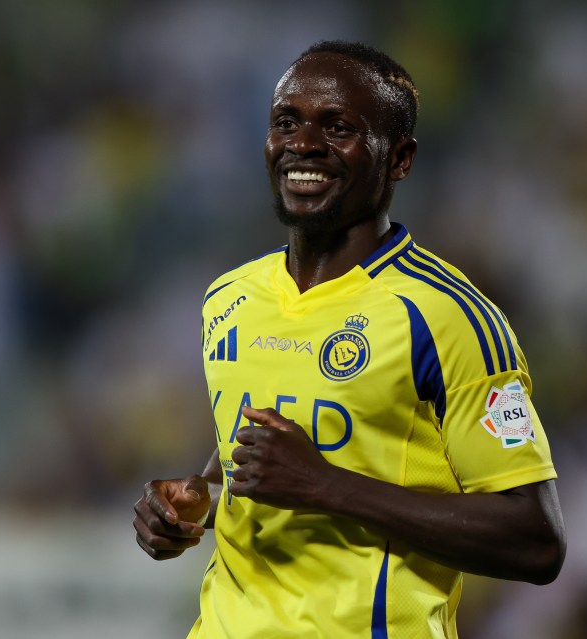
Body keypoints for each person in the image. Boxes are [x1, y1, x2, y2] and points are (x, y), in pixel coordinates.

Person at [133, 40, 565, 638]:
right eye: (287, 121)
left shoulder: (447, 317)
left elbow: (537, 541)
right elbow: (250, 460)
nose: (303, 144)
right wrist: (194, 501)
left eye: (337, 127)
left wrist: (325, 485)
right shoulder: (229, 299)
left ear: (400, 159)